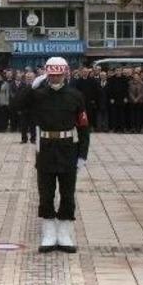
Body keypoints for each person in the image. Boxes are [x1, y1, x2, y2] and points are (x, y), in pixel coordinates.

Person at [16, 57, 90, 254]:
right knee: (46, 193)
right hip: (46, 149)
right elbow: (15, 106)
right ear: (47, 74)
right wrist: (31, 87)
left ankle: (65, 233)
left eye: (58, 74)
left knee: (67, 193)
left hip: (68, 149)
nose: (55, 78)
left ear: (65, 74)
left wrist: (83, 154)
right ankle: (49, 233)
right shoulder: (39, 95)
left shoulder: (75, 95)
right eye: (51, 74)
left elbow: (83, 127)